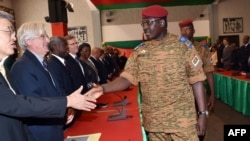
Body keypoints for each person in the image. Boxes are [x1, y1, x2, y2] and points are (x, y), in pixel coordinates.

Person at [101, 5, 207, 141]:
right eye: (143, 23)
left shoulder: (183, 47)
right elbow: (126, 78)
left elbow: (197, 80)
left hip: (182, 122)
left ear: (162, 23)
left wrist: (203, 114)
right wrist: (103, 88)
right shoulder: (140, 51)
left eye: (148, 23)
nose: (145, 27)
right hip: (154, 124)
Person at [0, 10, 102, 141]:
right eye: (9, 31)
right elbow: (22, 105)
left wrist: (70, 106)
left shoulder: (45, 64)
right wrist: (67, 102)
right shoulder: (21, 67)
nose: (48, 40)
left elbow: (56, 92)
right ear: (28, 41)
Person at [179, 19, 215, 111]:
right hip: (181, 96)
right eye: (182, 30)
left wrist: (212, 94)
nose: (184, 32)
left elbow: (209, 72)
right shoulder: (175, 50)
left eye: (187, 29)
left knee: (202, 121)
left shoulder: (203, 49)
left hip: (199, 94)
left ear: (193, 31)